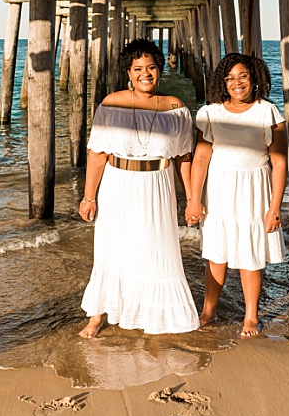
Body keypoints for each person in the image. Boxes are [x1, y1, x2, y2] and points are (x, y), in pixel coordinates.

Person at [78, 38, 199, 338]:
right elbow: (97, 154)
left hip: (158, 186)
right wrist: (88, 196)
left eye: (151, 68)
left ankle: (154, 316)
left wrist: (192, 199)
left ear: (160, 70)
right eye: (138, 69)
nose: (145, 74)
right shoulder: (111, 103)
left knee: (158, 251)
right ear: (128, 73)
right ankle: (97, 316)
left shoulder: (176, 108)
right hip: (118, 184)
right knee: (111, 249)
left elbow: (184, 157)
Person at [185, 53, 287, 338]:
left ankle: (251, 316)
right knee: (216, 254)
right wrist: (195, 199)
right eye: (230, 78)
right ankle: (209, 311)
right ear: (223, 82)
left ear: (254, 78)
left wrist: (275, 207)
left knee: (250, 255)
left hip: (255, 190)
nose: (236, 83)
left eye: (242, 76)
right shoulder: (211, 112)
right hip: (219, 189)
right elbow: (201, 158)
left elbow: (279, 162)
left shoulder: (268, 112)